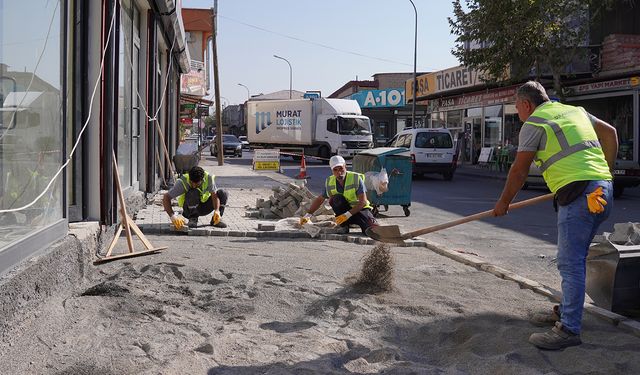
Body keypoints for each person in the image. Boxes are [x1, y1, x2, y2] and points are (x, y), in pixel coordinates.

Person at [493, 81, 618, 350]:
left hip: (580, 197)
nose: (518, 112)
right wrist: (602, 172)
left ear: (527, 104)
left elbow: (519, 170)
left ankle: (569, 329)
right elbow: (611, 134)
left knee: (570, 263)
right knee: (577, 258)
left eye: (517, 107)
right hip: (602, 192)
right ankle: (566, 311)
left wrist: (503, 203)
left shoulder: (534, 123)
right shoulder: (575, 111)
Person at [299, 155, 378, 233]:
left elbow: (363, 202)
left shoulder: (355, 178)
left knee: (372, 231)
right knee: (336, 199)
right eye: (335, 170)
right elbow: (320, 199)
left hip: (360, 210)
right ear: (332, 170)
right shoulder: (330, 181)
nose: (339, 173)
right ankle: (344, 225)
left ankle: (364, 224)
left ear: (345, 166)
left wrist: (347, 215)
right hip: (343, 214)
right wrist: (308, 215)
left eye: (341, 168)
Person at [163, 166, 228, 229]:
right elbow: (166, 197)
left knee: (223, 192)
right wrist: (173, 217)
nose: (194, 185)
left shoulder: (209, 178)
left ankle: (216, 219)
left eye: (197, 184)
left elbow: (214, 195)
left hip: (203, 207)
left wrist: (217, 210)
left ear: (202, 180)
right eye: (192, 182)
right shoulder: (183, 182)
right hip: (188, 210)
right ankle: (193, 219)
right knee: (193, 191)